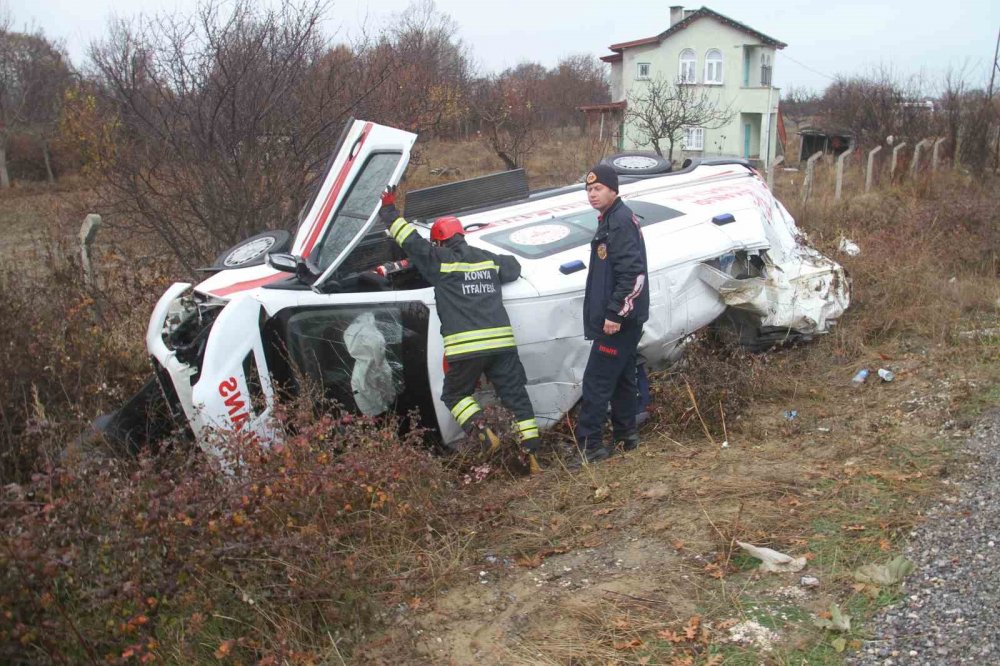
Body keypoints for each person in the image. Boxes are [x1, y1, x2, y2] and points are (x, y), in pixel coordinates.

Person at [378, 186, 542, 474]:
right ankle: (532, 457)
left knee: (455, 395)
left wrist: (389, 213)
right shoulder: (486, 259)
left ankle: (482, 431)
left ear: (439, 243)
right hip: (502, 345)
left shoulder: (439, 262)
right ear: (462, 235)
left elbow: (412, 242)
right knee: (516, 397)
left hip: (466, 349)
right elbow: (513, 268)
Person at [574, 164, 649, 463]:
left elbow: (633, 273)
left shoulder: (618, 222)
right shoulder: (612, 219)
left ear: (613, 189)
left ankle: (590, 446)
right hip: (625, 318)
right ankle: (626, 435)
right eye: (589, 190)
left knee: (596, 380)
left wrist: (615, 314)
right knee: (621, 379)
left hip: (619, 321)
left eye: (598, 189)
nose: (592, 194)